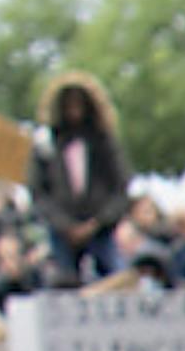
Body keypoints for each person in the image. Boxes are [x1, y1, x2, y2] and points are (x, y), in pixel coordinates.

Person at [30, 73, 132, 282]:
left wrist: (98, 222)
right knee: (63, 282)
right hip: (61, 231)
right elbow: (38, 192)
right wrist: (65, 225)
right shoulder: (45, 144)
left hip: (101, 228)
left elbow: (121, 187)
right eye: (68, 105)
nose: (73, 110)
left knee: (115, 275)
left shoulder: (105, 142)